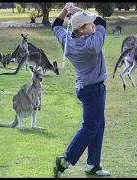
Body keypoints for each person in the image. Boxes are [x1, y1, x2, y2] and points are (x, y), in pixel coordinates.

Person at [52, 3, 110, 178]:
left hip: (85, 88)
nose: (93, 25)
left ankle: (93, 164)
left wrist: (65, 10)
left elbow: (55, 25)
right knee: (91, 126)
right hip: (93, 90)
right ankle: (66, 160)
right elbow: (102, 22)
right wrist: (79, 11)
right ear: (82, 29)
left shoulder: (67, 41)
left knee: (98, 125)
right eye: (89, 24)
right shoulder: (92, 44)